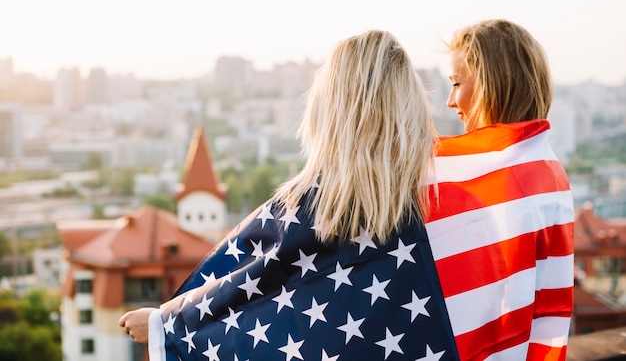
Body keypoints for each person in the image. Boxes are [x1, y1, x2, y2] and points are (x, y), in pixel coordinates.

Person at [120, 30, 461, 360]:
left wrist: (164, 324)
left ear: (331, 110)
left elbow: (246, 293)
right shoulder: (453, 199)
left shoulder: (311, 207)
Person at [425, 19, 574, 360]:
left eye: (457, 83)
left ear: (494, 85)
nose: (451, 100)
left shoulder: (508, 181)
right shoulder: (547, 171)